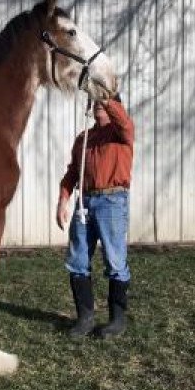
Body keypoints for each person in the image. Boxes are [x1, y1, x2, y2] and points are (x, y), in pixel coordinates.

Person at [56, 93, 134, 338]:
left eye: (104, 102)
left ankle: (117, 320)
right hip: (85, 203)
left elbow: (123, 120)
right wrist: (63, 199)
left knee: (115, 259)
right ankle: (85, 319)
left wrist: (105, 95)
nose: (98, 105)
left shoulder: (121, 132)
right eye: (95, 101)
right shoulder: (84, 138)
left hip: (112, 200)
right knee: (77, 260)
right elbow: (72, 173)